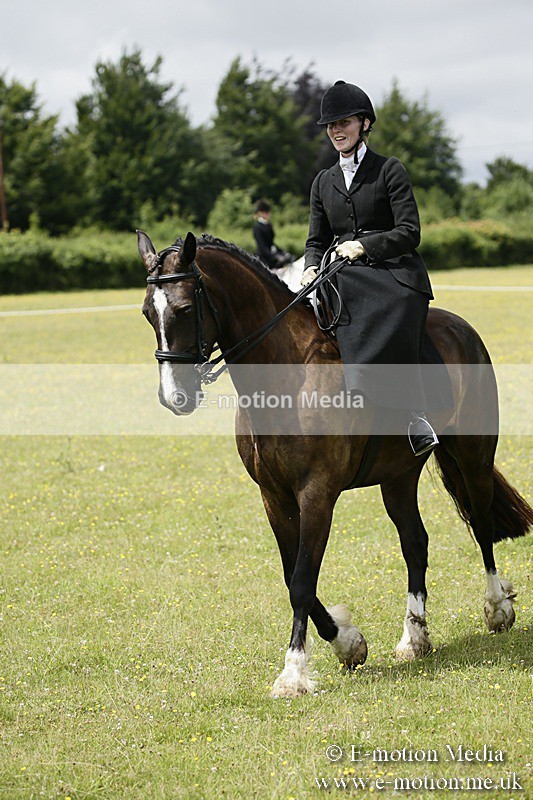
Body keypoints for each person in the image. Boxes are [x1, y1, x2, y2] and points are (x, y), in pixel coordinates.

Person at [301, 80, 439, 456]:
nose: (336, 131)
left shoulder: (389, 170)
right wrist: (311, 267)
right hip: (340, 271)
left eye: (343, 122)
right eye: (331, 125)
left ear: (364, 123)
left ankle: (415, 413)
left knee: (391, 305)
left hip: (394, 270)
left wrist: (363, 246)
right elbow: (316, 240)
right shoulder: (322, 182)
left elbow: (410, 231)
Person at [253, 199, 295, 269]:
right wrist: (274, 257)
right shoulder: (257, 227)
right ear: (260, 213)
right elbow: (262, 247)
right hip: (264, 257)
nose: (268, 214)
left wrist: (283, 253)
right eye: (266, 212)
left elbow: (272, 243)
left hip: (272, 254)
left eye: (268, 212)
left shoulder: (269, 225)